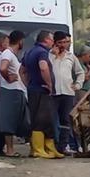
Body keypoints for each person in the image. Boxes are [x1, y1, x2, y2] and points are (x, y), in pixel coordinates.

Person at [22, 31, 62, 159]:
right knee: (41, 120)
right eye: (51, 39)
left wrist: (27, 84)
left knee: (45, 119)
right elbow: (43, 67)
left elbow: (21, 70)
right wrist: (49, 84)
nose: (53, 42)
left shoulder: (29, 51)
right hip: (41, 90)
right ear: (45, 40)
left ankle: (49, 148)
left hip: (33, 89)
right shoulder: (42, 52)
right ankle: (38, 149)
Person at [50, 31, 85, 155]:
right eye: (60, 42)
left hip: (67, 92)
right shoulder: (49, 55)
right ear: (55, 43)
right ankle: (53, 145)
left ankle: (63, 146)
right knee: (53, 119)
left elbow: (80, 72)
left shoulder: (71, 56)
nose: (63, 45)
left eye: (65, 42)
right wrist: (54, 56)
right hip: (53, 93)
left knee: (65, 120)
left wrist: (78, 85)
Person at [0, 31, 28, 157]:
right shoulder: (7, 53)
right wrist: (7, 78)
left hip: (16, 91)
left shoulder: (13, 55)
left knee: (17, 120)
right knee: (9, 120)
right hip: (10, 91)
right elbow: (2, 68)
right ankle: (10, 150)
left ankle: (10, 148)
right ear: (20, 41)